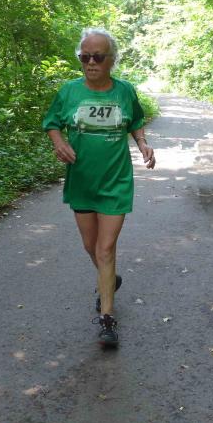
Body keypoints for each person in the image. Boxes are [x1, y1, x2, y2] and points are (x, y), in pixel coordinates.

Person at [42, 28, 155, 347]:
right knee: (90, 246)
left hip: (115, 181)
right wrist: (59, 143)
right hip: (82, 181)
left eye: (98, 57)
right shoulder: (69, 92)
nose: (90, 62)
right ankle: (110, 279)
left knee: (106, 249)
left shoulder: (125, 91)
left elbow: (135, 121)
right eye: (85, 57)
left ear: (111, 60)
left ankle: (107, 318)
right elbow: (52, 123)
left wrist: (143, 143)